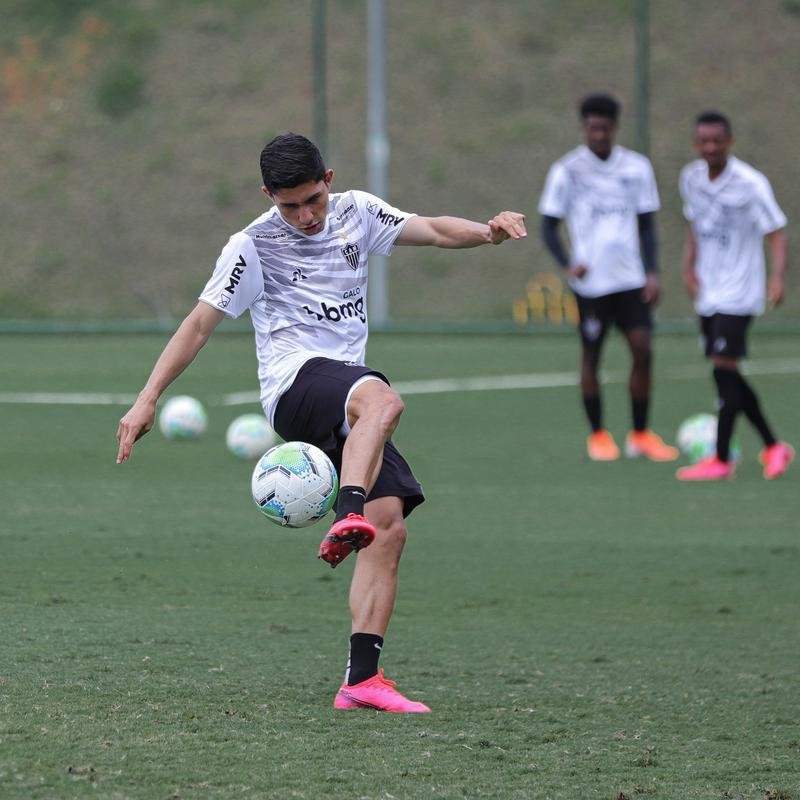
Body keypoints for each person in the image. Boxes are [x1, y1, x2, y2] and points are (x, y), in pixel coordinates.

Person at [116, 132, 527, 713]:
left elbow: (432, 229)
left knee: (389, 528)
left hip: (345, 394)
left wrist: (487, 231)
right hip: (295, 385)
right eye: (290, 206)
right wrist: (147, 397)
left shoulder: (358, 212)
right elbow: (199, 324)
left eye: (313, 199)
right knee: (382, 403)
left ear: (329, 180)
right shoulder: (251, 245)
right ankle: (347, 511)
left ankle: (361, 681)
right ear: (267, 195)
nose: (305, 216)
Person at [538, 93, 678, 463]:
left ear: (615, 128)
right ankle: (598, 435)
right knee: (592, 357)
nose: (598, 134)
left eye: (604, 128)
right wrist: (568, 263)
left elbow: (647, 224)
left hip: (631, 280)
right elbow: (548, 226)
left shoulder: (636, 168)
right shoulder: (567, 170)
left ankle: (641, 434)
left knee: (643, 351)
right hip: (592, 284)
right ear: (584, 128)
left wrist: (652, 271)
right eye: (592, 127)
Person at [676, 111, 793, 481]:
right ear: (696, 144)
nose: (710, 147)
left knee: (723, 368)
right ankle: (774, 446)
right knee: (727, 374)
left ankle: (722, 459)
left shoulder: (750, 183)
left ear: (730, 142)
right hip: (709, 290)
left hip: (741, 289)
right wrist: (688, 266)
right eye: (704, 141)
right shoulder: (691, 178)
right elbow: (695, 224)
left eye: (717, 140)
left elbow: (776, 230)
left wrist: (776, 277)